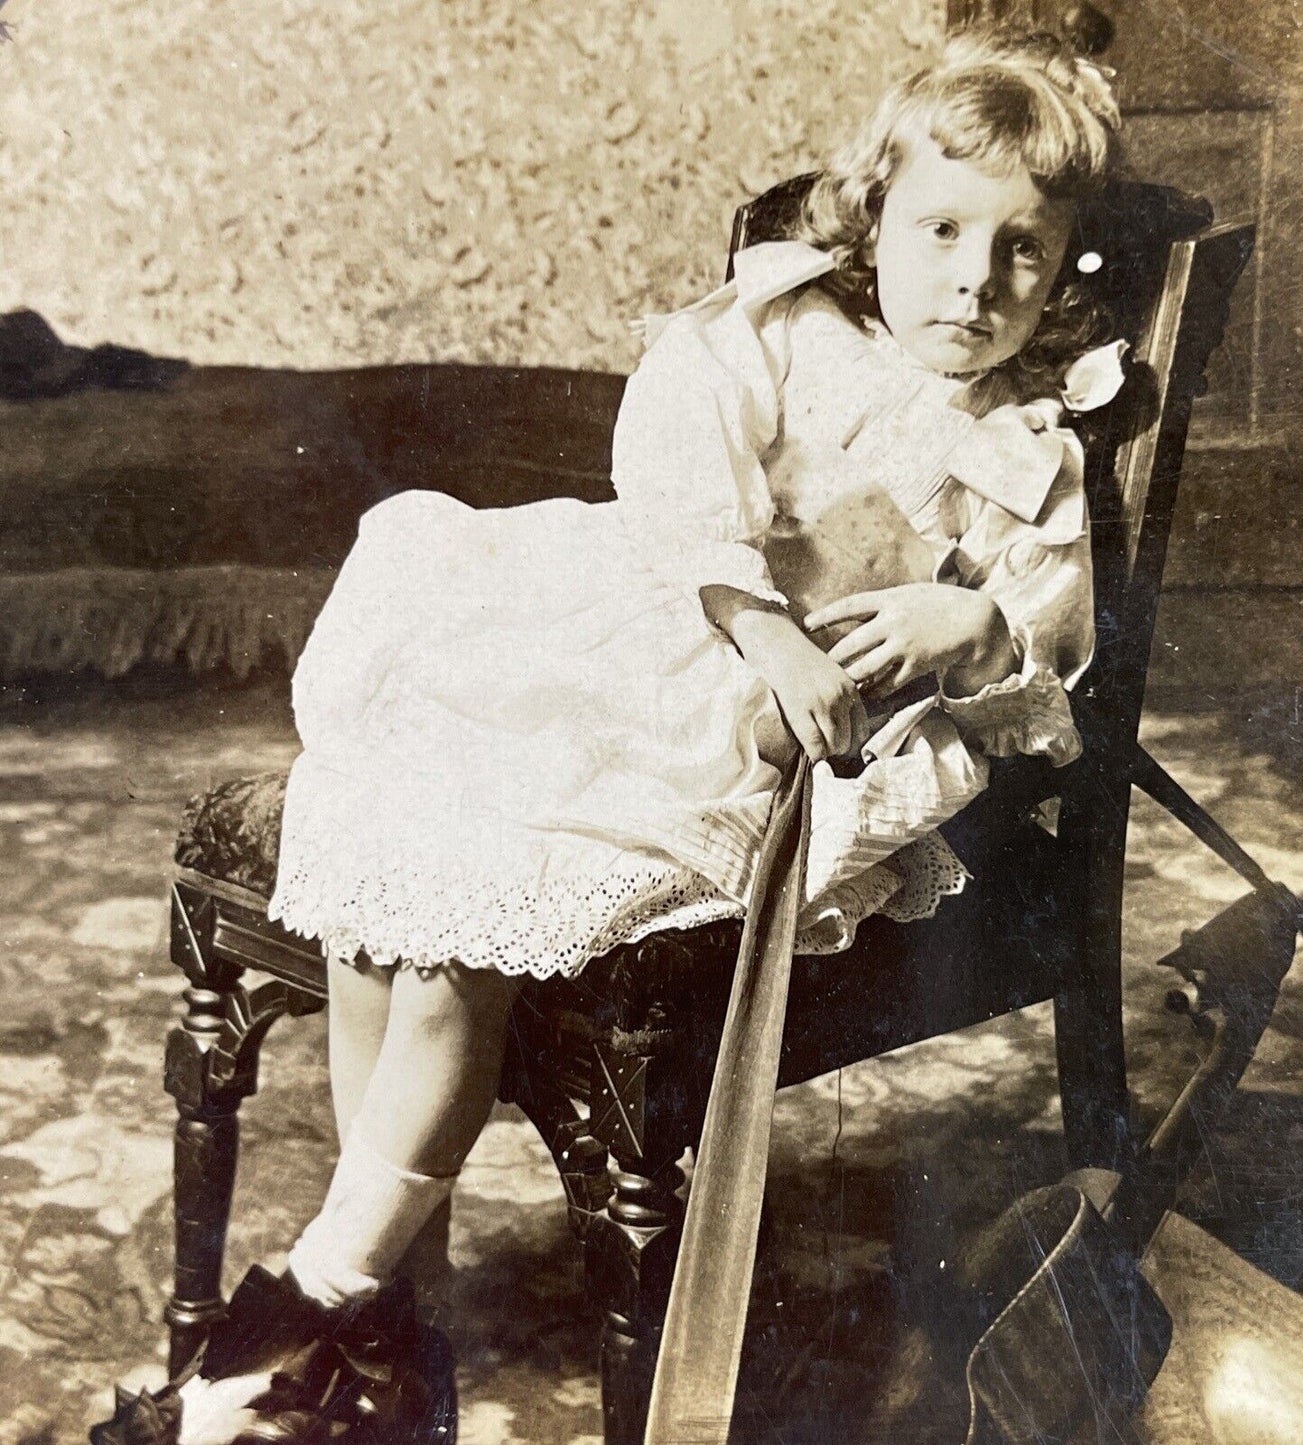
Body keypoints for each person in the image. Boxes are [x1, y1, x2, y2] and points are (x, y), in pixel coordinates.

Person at [95, 25, 1129, 1445]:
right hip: (662, 640)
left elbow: (1051, 634)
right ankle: (374, 1335)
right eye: (942, 228)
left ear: (1065, 267)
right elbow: (674, 479)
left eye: (1022, 248)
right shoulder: (785, 329)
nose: (973, 277)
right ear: (871, 216)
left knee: (472, 912)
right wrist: (761, 624)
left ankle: (297, 1320)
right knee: (386, 862)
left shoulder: (1026, 439)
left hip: (771, 740)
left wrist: (979, 628)